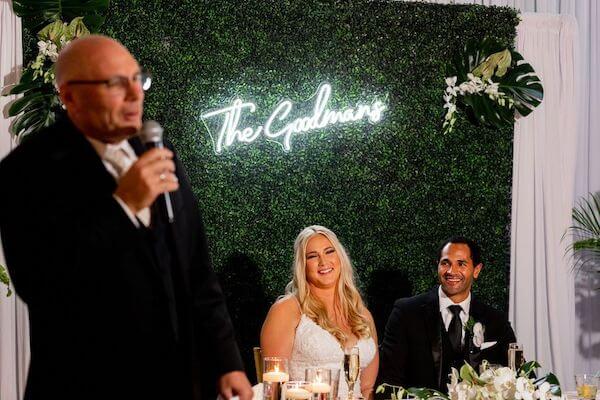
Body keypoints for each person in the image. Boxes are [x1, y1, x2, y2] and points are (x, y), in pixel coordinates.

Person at [0, 35, 252, 400]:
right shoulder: (27, 171)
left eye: (139, 79)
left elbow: (196, 271)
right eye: (117, 84)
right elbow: (45, 286)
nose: (137, 94)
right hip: (88, 385)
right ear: (70, 96)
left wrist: (228, 362)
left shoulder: (157, 151)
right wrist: (123, 206)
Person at [378, 237, 517, 392]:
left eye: (461, 264)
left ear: (476, 270)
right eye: (446, 263)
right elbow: (389, 380)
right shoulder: (406, 313)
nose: (452, 271)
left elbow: (518, 376)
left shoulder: (495, 321)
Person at [261, 225, 379, 400]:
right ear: (303, 265)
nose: (323, 262)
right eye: (312, 256)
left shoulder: (362, 314)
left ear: (340, 257)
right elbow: (275, 388)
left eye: (329, 252)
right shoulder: (286, 310)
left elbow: (368, 388)